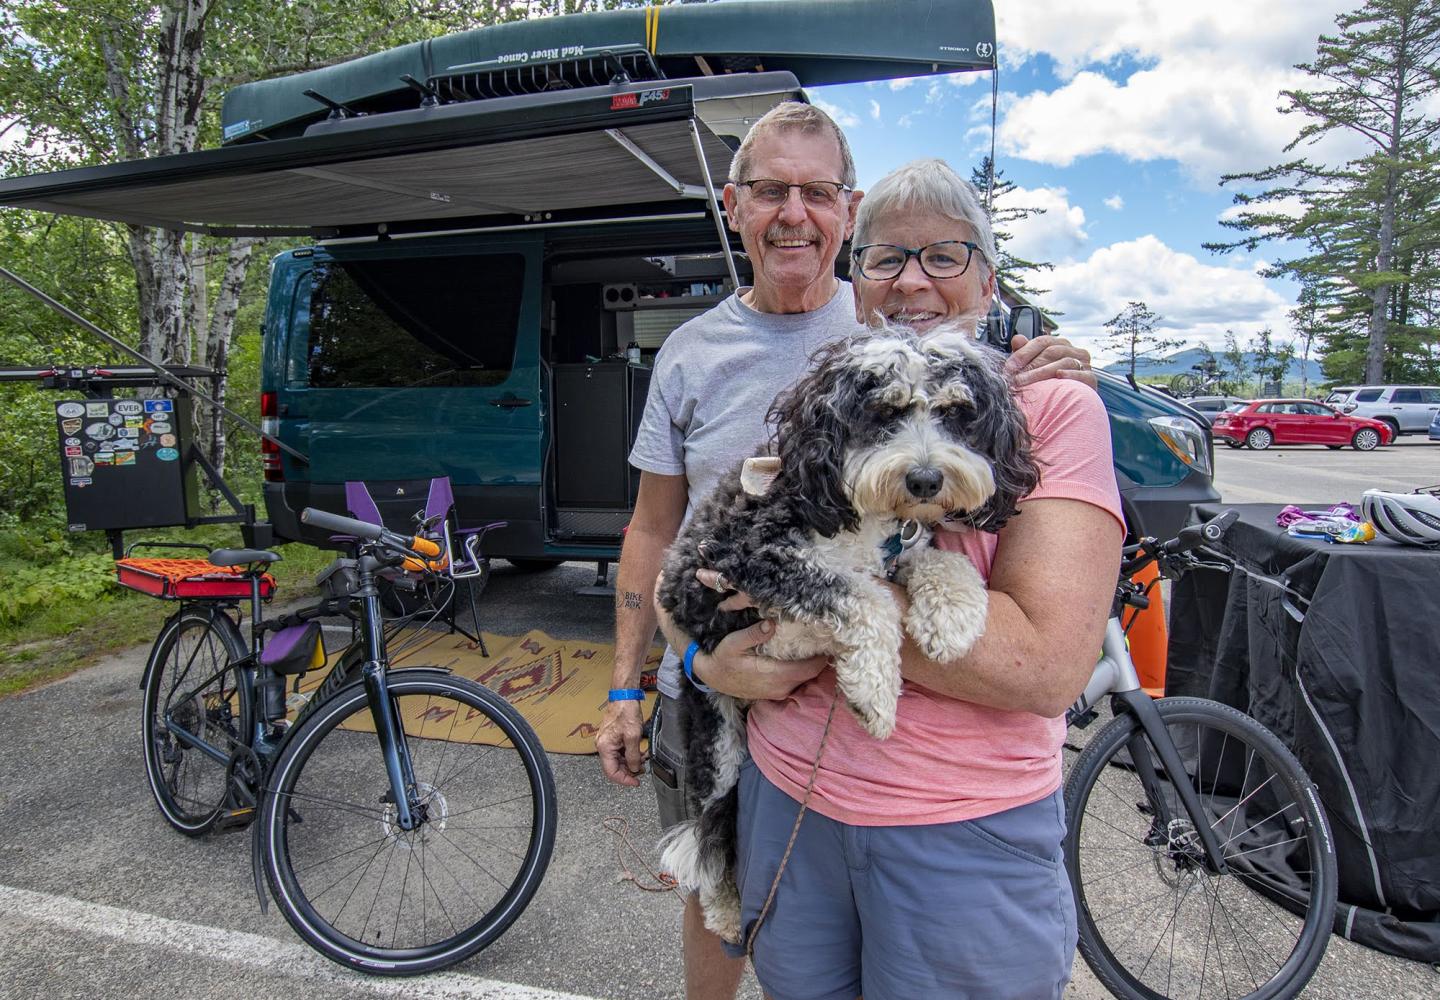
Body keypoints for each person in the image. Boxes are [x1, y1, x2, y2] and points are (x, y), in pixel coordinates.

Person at [595, 104, 1097, 1000]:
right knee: (717, 884)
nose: (794, 211)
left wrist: (1040, 368)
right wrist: (663, 674)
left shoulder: (938, 364)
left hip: (938, 806)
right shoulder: (704, 357)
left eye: (817, 192)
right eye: (771, 190)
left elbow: (1044, 655)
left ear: (844, 211)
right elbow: (655, 533)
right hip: (748, 724)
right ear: (734, 203)